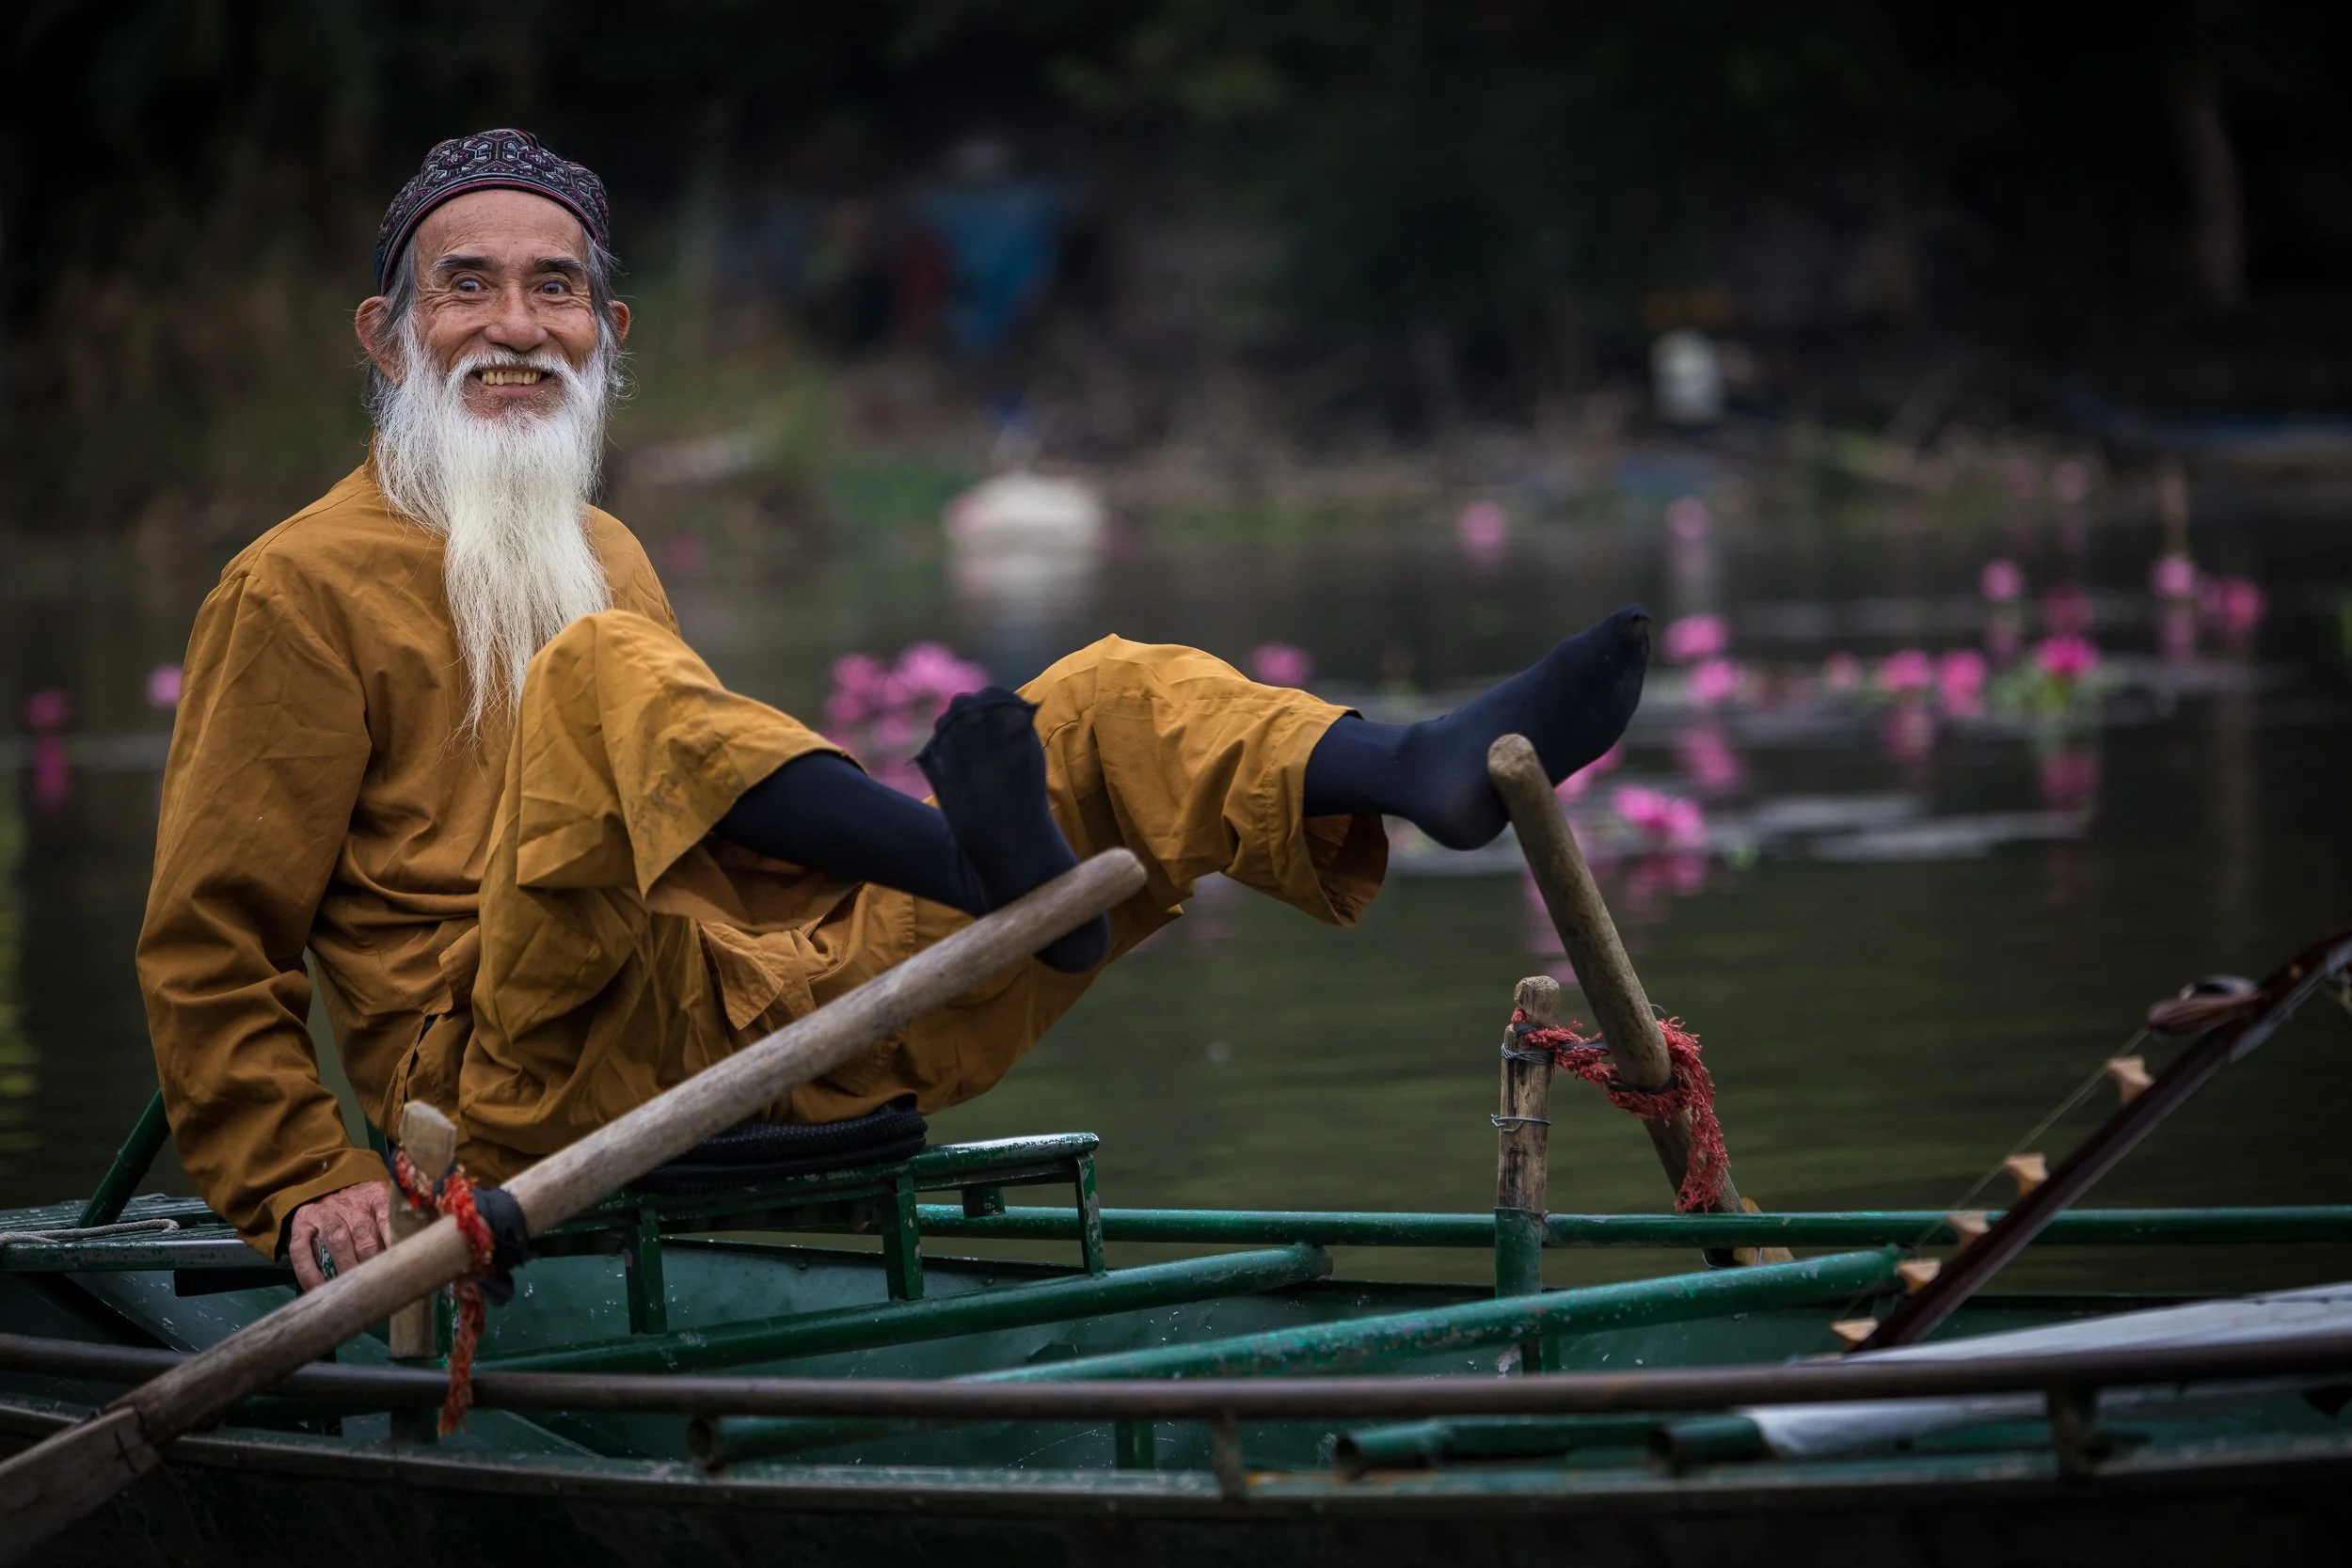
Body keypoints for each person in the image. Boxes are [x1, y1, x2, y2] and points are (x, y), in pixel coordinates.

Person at [135, 130, 1650, 1291]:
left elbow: (687, 815)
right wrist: (296, 1175)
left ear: (609, 332)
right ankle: (982, 873)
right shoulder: (297, 584)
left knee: (1107, 695)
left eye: (557, 289)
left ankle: (1417, 768)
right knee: (596, 676)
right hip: (508, 1080)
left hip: (734, 1012)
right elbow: (214, 936)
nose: (515, 322)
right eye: (466, 286)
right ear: (388, 337)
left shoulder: (604, 549)